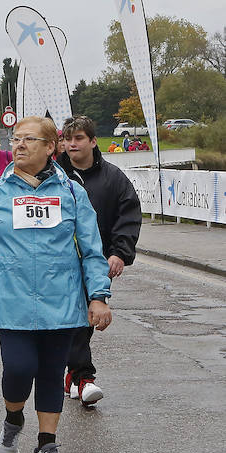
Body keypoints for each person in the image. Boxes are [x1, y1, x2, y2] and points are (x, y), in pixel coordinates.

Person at [0, 116, 112, 453]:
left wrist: (99, 296)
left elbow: (92, 250)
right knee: (20, 367)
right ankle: (12, 422)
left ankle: (46, 446)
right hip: (11, 301)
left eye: (28, 139)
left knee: (53, 373)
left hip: (62, 301)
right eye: (15, 138)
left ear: (50, 147)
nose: (18, 145)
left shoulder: (72, 192)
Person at [58, 115, 141, 406]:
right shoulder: (52, 175)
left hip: (96, 262)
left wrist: (119, 252)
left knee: (85, 319)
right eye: (67, 139)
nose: (72, 144)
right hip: (57, 263)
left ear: (93, 141)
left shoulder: (113, 178)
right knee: (70, 320)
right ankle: (82, 376)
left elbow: (128, 216)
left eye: (78, 138)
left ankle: (77, 376)